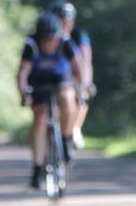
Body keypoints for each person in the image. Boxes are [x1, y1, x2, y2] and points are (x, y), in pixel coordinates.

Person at [17, 10, 85, 189]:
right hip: (38, 82)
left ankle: (66, 138)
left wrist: (80, 87)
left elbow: (78, 68)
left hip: (61, 79)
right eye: (45, 40)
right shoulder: (31, 45)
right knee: (40, 118)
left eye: (52, 39)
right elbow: (23, 73)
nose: (49, 44)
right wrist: (24, 94)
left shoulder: (65, 42)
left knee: (67, 96)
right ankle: (38, 168)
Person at [48, 0, 94, 148]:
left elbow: (85, 61)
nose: (66, 24)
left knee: (82, 95)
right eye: (62, 20)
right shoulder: (47, 33)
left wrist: (85, 83)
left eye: (69, 20)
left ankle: (75, 128)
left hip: (73, 74)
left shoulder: (79, 34)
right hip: (52, 75)